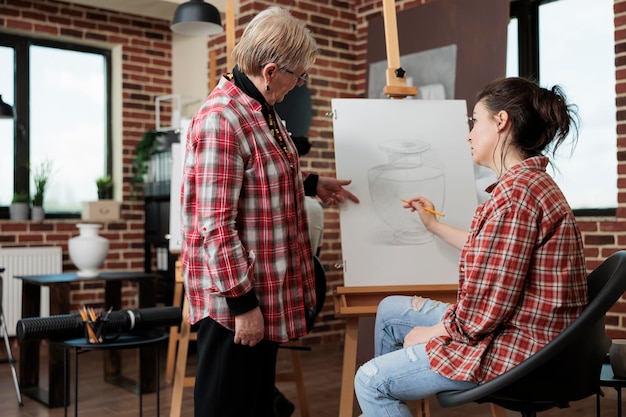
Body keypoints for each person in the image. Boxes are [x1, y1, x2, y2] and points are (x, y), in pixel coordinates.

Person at [354, 76, 588, 417]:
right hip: (517, 327)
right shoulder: (528, 183)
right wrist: (433, 226)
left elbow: (487, 309)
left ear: (501, 122)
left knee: (370, 380)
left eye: (475, 121)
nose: (469, 133)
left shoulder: (516, 197)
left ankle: (384, 403)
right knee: (390, 311)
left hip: (516, 345)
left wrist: (435, 333)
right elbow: (494, 254)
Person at [179, 7, 359, 417]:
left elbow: (261, 172)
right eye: (299, 75)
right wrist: (243, 306)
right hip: (236, 301)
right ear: (272, 70)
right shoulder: (221, 119)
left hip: (265, 291)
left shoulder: (260, 107)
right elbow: (215, 227)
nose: (300, 84)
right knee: (227, 408)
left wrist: (312, 183)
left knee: (256, 405)